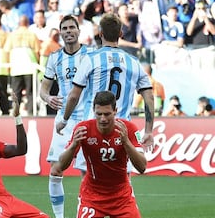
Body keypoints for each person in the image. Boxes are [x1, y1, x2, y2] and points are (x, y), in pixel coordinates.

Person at [56, 13, 154, 152]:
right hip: (122, 128)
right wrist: (149, 131)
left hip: (93, 127)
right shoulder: (134, 62)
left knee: (89, 171)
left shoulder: (90, 59)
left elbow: (73, 96)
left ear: (100, 33)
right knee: (121, 173)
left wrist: (64, 120)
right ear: (120, 34)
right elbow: (149, 97)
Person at [53, 91, 147, 218]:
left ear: (115, 111)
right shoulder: (83, 128)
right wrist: (73, 145)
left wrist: (126, 142)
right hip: (92, 197)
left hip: (121, 197)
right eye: (99, 114)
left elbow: (142, 167)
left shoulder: (129, 128)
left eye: (107, 114)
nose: (103, 119)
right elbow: (61, 165)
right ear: (93, 111)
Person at [39, 15, 93, 218]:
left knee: (86, 172)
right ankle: (59, 217)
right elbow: (43, 89)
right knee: (55, 170)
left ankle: (87, 212)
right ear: (60, 33)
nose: (69, 31)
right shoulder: (54, 57)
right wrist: (48, 98)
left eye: (72, 28)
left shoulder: (90, 55)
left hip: (87, 119)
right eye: (65, 28)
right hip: (64, 121)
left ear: (79, 31)